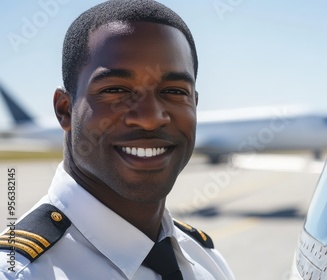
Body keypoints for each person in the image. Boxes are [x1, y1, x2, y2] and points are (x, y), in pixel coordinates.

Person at [0, 1, 235, 279]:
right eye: (115, 90)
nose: (149, 118)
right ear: (65, 109)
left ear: (195, 105)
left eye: (173, 91)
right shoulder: (20, 272)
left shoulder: (207, 259)